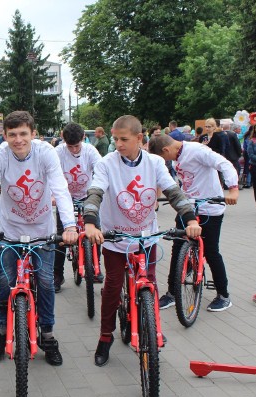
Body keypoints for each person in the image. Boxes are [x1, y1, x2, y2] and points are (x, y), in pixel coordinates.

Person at [83, 115, 201, 367]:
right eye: (115, 139)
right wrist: (91, 223)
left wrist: (190, 220)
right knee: (112, 288)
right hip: (116, 238)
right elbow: (95, 193)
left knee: (150, 283)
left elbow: (173, 192)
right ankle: (105, 337)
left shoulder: (155, 162)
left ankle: (152, 326)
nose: (118, 144)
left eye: (123, 139)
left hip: (146, 237)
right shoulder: (106, 164)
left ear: (139, 138)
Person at [0, 111, 79, 366]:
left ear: (33, 134)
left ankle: (48, 335)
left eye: (23, 134)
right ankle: (1, 331)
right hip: (10, 230)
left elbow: (60, 188)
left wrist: (70, 225)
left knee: (47, 282)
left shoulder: (46, 153)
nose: (18, 139)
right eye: (12, 134)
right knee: (5, 283)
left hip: (43, 230)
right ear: (4, 136)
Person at [148, 134, 238, 312]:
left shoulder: (197, 151)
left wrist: (233, 189)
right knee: (178, 248)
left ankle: (223, 295)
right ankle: (172, 293)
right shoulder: (176, 156)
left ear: (166, 150)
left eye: (163, 158)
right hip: (188, 207)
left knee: (211, 251)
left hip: (210, 208)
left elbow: (225, 164)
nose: (166, 161)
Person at [53, 123, 102, 292]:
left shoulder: (90, 151)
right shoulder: (58, 152)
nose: (74, 150)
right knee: (60, 237)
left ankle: (96, 266)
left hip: (87, 195)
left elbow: (100, 171)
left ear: (83, 138)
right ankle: (57, 275)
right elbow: (49, 173)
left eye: (77, 146)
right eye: (70, 146)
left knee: (97, 231)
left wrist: (100, 191)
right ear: (63, 139)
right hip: (64, 198)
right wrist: (52, 195)